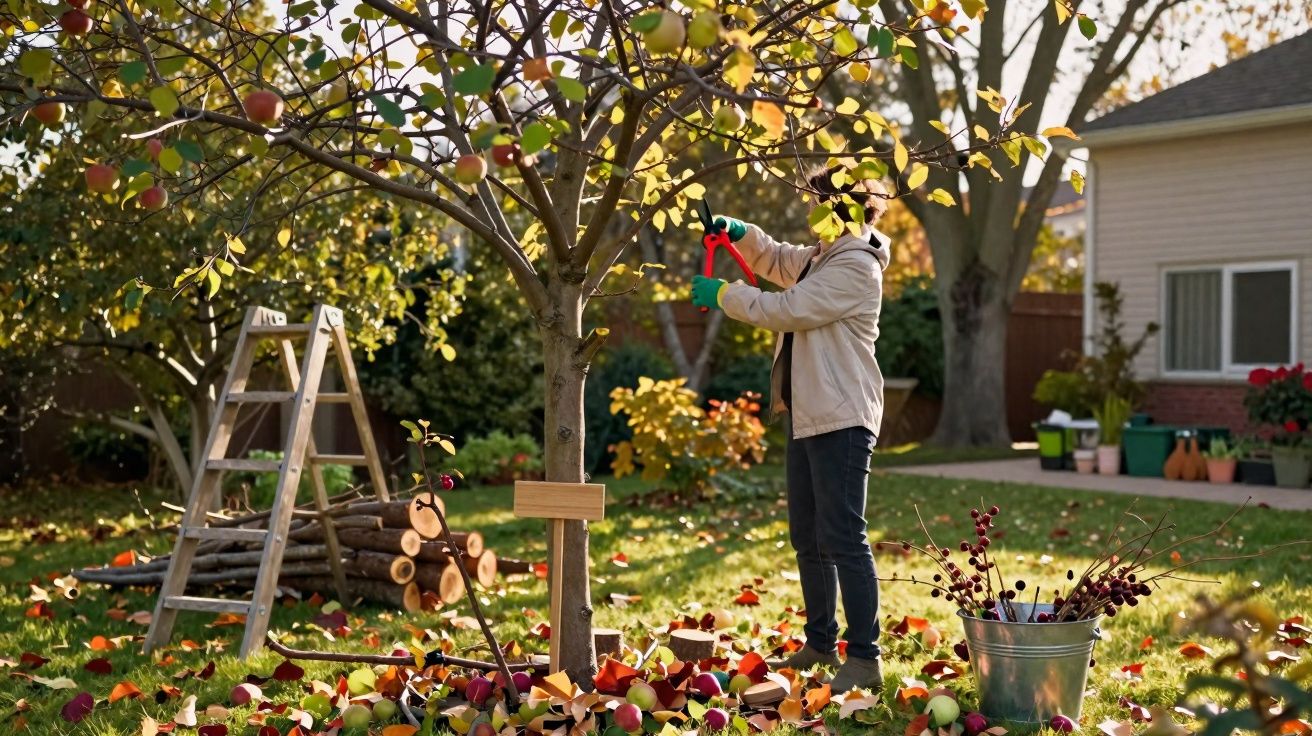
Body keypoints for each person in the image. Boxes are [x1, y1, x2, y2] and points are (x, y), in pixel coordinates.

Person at [689, 170, 890, 694]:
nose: (810, 211)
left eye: (819, 203)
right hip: (809, 414)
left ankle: (865, 658)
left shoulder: (855, 265)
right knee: (809, 536)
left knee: (844, 537)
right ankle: (821, 644)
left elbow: (790, 308)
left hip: (843, 418)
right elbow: (779, 260)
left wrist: (724, 294)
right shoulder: (823, 255)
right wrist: (741, 233)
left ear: (841, 207)